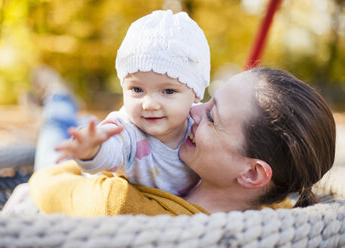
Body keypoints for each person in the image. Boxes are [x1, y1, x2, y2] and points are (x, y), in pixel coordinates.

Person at [25, 67, 336, 216]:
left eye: (213, 117)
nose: (193, 110)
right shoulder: (275, 201)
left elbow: (45, 182)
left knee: (60, 130)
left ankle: (57, 97)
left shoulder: (122, 205)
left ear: (252, 173)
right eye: (208, 101)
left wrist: (84, 155)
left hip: (70, 161)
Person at [53, 10, 210, 196]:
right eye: (137, 90)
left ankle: (60, 101)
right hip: (78, 174)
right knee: (53, 153)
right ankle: (56, 99)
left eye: (168, 91)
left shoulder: (201, 128)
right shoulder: (125, 129)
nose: (149, 104)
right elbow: (111, 148)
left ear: (195, 95)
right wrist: (92, 149)